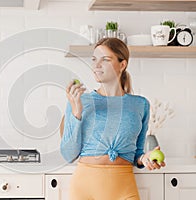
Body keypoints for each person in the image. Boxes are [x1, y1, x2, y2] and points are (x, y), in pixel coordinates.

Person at [60, 37, 166, 200]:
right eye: (94, 59)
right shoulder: (80, 101)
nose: (96, 65)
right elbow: (68, 155)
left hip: (124, 188)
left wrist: (144, 158)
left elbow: (137, 153)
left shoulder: (140, 104)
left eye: (105, 60)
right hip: (84, 189)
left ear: (122, 65)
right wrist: (76, 112)